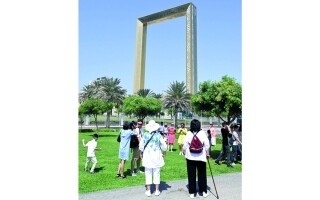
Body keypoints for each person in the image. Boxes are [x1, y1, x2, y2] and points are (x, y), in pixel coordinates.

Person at [183, 119, 210, 198]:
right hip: (201, 157)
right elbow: (207, 144)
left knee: (191, 174)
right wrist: (207, 153)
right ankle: (203, 191)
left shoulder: (188, 133)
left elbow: (185, 145)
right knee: (202, 174)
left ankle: (192, 192)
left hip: (190, 157)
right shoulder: (202, 133)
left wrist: (184, 152)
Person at [139, 120, 167, 197]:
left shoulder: (145, 134)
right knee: (156, 172)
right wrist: (163, 152)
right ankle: (157, 190)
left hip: (147, 155)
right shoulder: (158, 135)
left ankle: (148, 190)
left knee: (148, 172)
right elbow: (164, 146)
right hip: (156, 154)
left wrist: (141, 153)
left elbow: (141, 146)